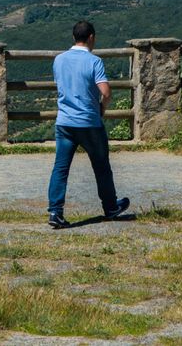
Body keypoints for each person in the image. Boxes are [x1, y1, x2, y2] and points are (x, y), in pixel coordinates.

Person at [46, 20, 130, 228]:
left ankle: (55, 212)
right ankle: (111, 207)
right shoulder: (94, 61)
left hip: (64, 122)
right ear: (91, 37)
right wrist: (102, 107)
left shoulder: (59, 60)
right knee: (101, 167)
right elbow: (106, 91)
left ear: (74, 37)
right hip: (89, 122)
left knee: (61, 168)